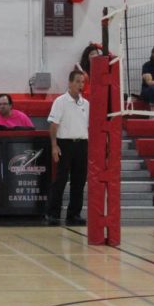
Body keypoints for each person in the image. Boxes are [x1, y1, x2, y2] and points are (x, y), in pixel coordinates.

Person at [44, 71, 90, 226]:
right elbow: (53, 125)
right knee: (60, 179)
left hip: (82, 144)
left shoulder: (86, 104)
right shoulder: (60, 101)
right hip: (65, 144)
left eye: (82, 82)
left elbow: (88, 126)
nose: (80, 85)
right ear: (70, 83)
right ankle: (53, 213)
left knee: (79, 181)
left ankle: (74, 214)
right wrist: (54, 146)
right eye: (77, 81)